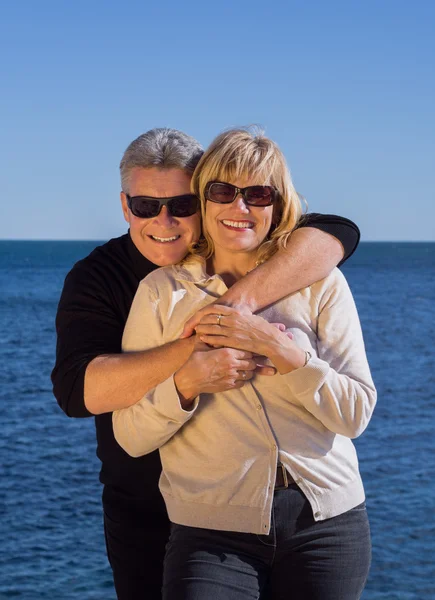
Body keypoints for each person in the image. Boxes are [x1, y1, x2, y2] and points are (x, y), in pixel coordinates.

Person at [52, 127, 361, 600]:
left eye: (181, 205)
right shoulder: (115, 281)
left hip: (312, 517)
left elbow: (336, 231)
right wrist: (198, 349)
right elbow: (80, 392)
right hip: (154, 507)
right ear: (124, 206)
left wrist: (247, 316)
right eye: (145, 206)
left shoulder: (303, 267)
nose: (165, 220)